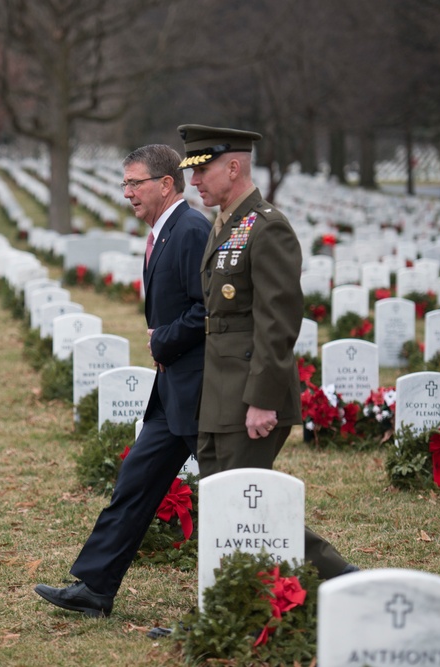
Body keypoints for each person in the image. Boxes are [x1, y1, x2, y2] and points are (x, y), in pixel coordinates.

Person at [34, 144, 211, 617]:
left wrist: (162, 341)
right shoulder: (165, 231)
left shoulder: (191, 231)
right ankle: (94, 587)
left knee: (235, 495)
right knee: (134, 484)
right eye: (125, 183)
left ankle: (327, 574)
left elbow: (209, 308)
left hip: (199, 392)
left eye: (136, 183)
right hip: (173, 391)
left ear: (166, 184)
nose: (127, 192)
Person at [179, 123, 357, 580]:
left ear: (233, 167)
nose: (193, 181)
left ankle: (343, 580)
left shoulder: (266, 227)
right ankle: (219, 601)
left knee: (249, 506)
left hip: (248, 393)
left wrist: (263, 399)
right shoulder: (226, 226)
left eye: (201, 170)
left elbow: (277, 324)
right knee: (223, 503)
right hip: (219, 393)